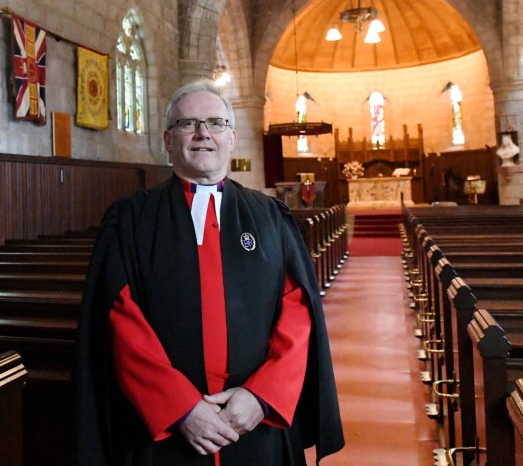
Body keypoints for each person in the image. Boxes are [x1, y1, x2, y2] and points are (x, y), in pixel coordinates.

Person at [72, 80, 344, 465]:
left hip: (256, 426)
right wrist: (179, 407)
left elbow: (298, 313)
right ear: (168, 140)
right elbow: (119, 318)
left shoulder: (270, 217)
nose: (203, 133)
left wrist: (262, 396)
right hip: (161, 435)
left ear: (232, 138)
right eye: (188, 124)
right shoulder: (131, 219)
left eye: (215, 123)